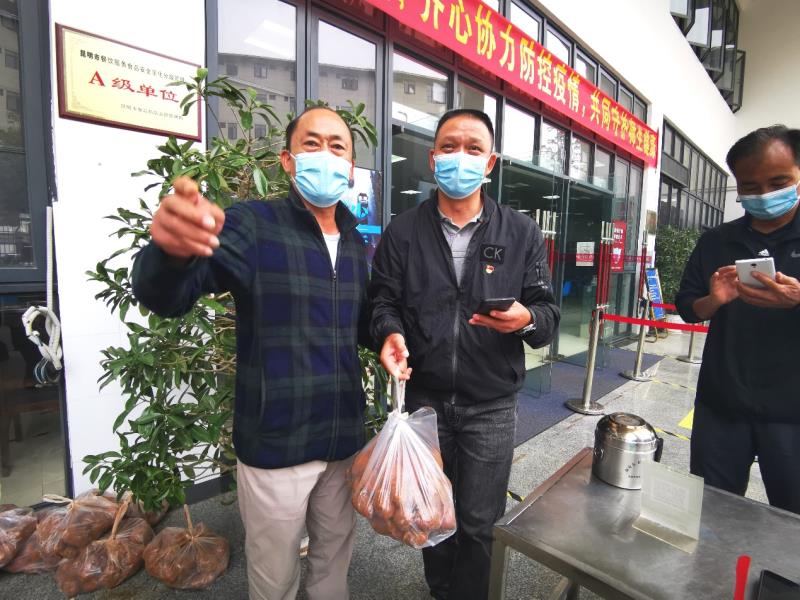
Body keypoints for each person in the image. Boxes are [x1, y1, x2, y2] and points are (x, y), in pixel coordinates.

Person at [132, 106, 372, 599]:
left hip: (342, 437)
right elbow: (171, 296)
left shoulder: (353, 241)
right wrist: (170, 254)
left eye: (337, 146)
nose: (325, 154)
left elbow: (361, 324)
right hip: (276, 443)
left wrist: (389, 336)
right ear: (287, 160)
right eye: (311, 144)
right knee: (274, 574)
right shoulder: (253, 225)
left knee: (334, 562)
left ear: (350, 168)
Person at [369, 108, 560, 600]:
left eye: (474, 148)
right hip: (425, 401)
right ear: (433, 158)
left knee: (479, 523)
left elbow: (547, 313)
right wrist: (389, 333)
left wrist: (527, 319)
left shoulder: (520, 232)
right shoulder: (403, 231)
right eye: (450, 147)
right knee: (432, 511)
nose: (461, 157)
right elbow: (382, 301)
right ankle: (440, 590)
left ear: (490, 162)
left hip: (490, 406)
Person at [676, 124, 800, 515]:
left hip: (793, 411)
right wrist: (714, 300)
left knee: (793, 522)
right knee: (712, 512)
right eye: (750, 186)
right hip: (722, 402)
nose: (764, 194)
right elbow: (687, 306)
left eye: (778, 182)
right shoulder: (716, 240)